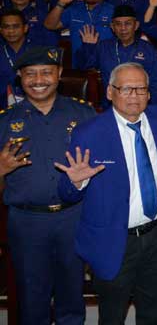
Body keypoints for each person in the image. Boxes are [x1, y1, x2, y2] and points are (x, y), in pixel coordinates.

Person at [56, 62, 157, 324]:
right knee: (112, 314)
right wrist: (76, 182)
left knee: (154, 312)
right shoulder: (88, 133)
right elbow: (66, 193)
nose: (134, 96)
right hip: (114, 239)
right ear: (110, 92)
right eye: (126, 89)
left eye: (141, 89)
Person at [0, 46, 95, 325]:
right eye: (30, 74)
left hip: (73, 218)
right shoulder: (5, 121)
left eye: (46, 72)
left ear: (59, 74)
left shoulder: (84, 114)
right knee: (31, 298)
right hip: (27, 221)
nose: (38, 79)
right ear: (20, 77)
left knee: (72, 295)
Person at [74, 4, 157, 105]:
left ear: (136, 25)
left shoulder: (148, 49)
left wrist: (156, 111)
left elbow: (156, 84)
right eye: (118, 24)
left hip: (139, 106)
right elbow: (82, 66)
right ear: (112, 27)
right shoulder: (103, 47)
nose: (123, 28)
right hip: (110, 106)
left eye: (128, 23)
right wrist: (88, 47)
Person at [44, 0, 115, 51]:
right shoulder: (73, 10)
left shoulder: (113, 11)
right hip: (79, 60)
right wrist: (61, 4)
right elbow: (50, 25)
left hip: (106, 60)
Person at [0, 8, 34, 107]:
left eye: (15, 26)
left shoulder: (37, 52)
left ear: (25, 28)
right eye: (6, 27)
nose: (11, 31)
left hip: (33, 106)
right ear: (1, 30)